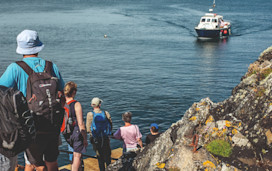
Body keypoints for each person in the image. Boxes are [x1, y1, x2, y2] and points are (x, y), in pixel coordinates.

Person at [0, 29, 65, 171]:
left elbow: (1, 92)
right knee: (52, 161)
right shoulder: (50, 66)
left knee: (36, 163)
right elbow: (63, 92)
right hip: (53, 123)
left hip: (31, 124)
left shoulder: (15, 68)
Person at [64, 81, 88, 171]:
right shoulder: (76, 104)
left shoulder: (62, 103)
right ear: (73, 92)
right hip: (76, 132)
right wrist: (85, 138)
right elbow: (81, 123)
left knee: (73, 154)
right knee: (77, 155)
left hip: (66, 133)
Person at [86, 97, 112, 171]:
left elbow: (88, 129)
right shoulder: (105, 113)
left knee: (100, 157)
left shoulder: (90, 114)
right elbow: (110, 124)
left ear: (92, 105)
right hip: (105, 138)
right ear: (99, 105)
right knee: (107, 156)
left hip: (96, 139)